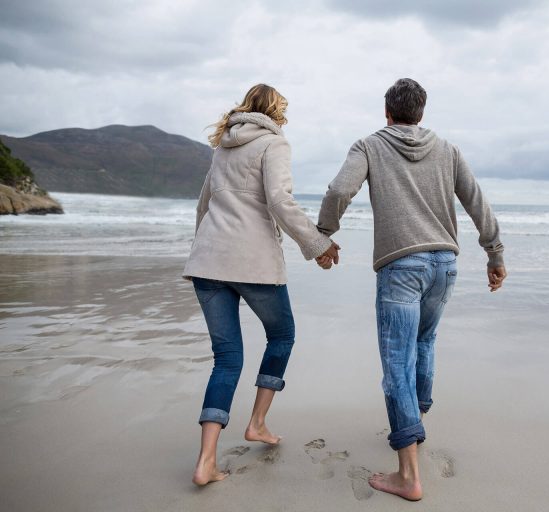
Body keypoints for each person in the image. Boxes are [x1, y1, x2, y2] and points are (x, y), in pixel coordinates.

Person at [316, 78, 507, 501]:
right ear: (421, 113)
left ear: (387, 112)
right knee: (424, 342)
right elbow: (477, 201)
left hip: (402, 265)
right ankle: (413, 430)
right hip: (445, 263)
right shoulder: (447, 150)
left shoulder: (369, 145)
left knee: (397, 364)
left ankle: (408, 475)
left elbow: (338, 190)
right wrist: (495, 253)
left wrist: (324, 236)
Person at [183, 84, 340, 486]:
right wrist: (318, 243)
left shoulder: (222, 147)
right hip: (252, 264)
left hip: (207, 263)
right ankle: (256, 422)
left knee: (226, 359)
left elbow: (203, 206)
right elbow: (280, 200)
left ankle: (205, 462)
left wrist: (205, 251)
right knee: (282, 335)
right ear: (276, 111)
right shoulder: (274, 144)